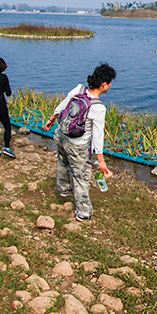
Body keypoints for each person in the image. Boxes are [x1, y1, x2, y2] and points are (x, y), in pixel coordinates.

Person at [45, 63, 116, 222]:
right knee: (81, 176)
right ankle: (83, 212)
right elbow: (97, 136)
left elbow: (62, 105)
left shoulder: (79, 89)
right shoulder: (99, 108)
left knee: (63, 163)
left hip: (62, 135)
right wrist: (101, 161)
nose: (110, 86)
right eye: (110, 83)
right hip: (78, 145)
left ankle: (63, 189)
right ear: (103, 85)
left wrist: (51, 119)